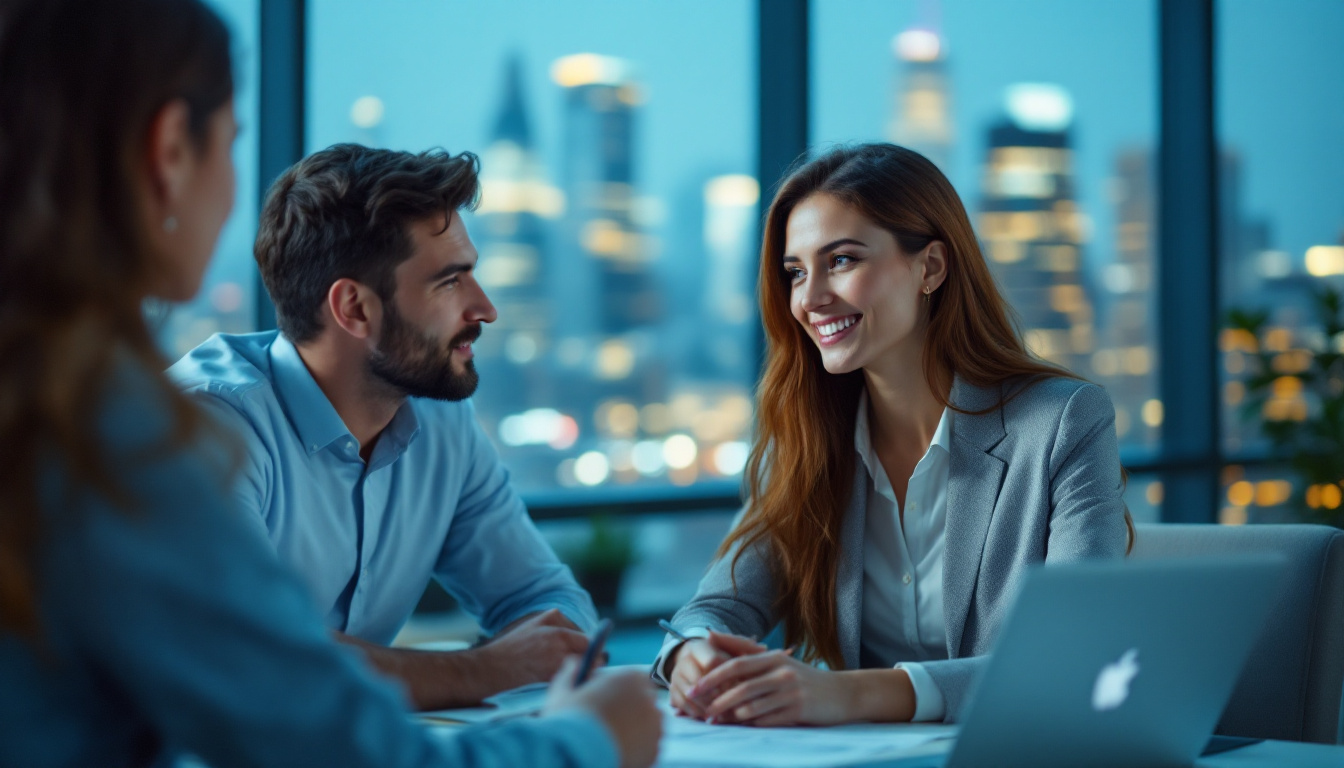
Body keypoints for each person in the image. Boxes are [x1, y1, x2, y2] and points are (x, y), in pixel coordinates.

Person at [0, 1, 660, 766]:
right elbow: (318, 717)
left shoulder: (61, 399)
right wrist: (589, 737)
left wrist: (546, 665)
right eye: (231, 144)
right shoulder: (137, 432)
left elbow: (546, 611)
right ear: (170, 149)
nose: (486, 309)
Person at [655, 143, 1133, 727]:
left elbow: (1071, 659)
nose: (809, 298)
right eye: (796, 272)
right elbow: (718, 605)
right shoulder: (806, 440)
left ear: (930, 267)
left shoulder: (1062, 423)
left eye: (843, 261)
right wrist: (693, 653)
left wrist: (846, 695)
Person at [166, 143, 598, 710]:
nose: (486, 308)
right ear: (354, 309)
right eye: (450, 282)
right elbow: (255, 657)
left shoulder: (443, 426)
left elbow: (546, 600)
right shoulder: (207, 427)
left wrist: (520, 656)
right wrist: (486, 668)